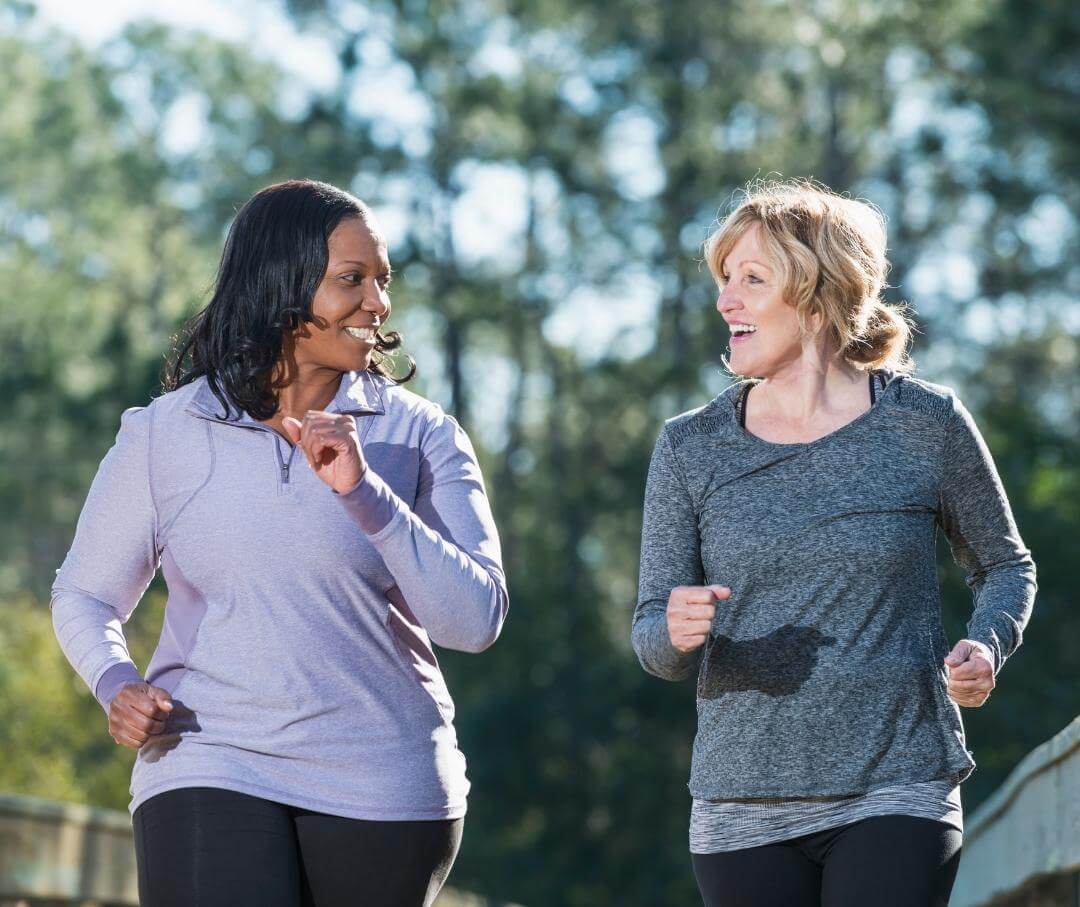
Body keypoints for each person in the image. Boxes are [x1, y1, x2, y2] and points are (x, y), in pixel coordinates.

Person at [51, 178, 509, 907]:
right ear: (281, 287)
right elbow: (86, 591)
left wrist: (365, 493)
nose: (378, 303)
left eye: (382, 281)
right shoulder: (165, 431)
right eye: (351, 280)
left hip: (382, 781)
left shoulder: (419, 434)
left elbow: (474, 619)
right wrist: (115, 681)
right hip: (206, 751)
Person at [632, 180, 1036, 907]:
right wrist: (672, 626)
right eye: (724, 279)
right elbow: (651, 642)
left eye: (751, 279)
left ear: (818, 294)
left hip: (899, 784)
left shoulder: (927, 422)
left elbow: (1005, 564)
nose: (727, 300)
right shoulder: (690, 447)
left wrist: (988, 644)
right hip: (741, 804)